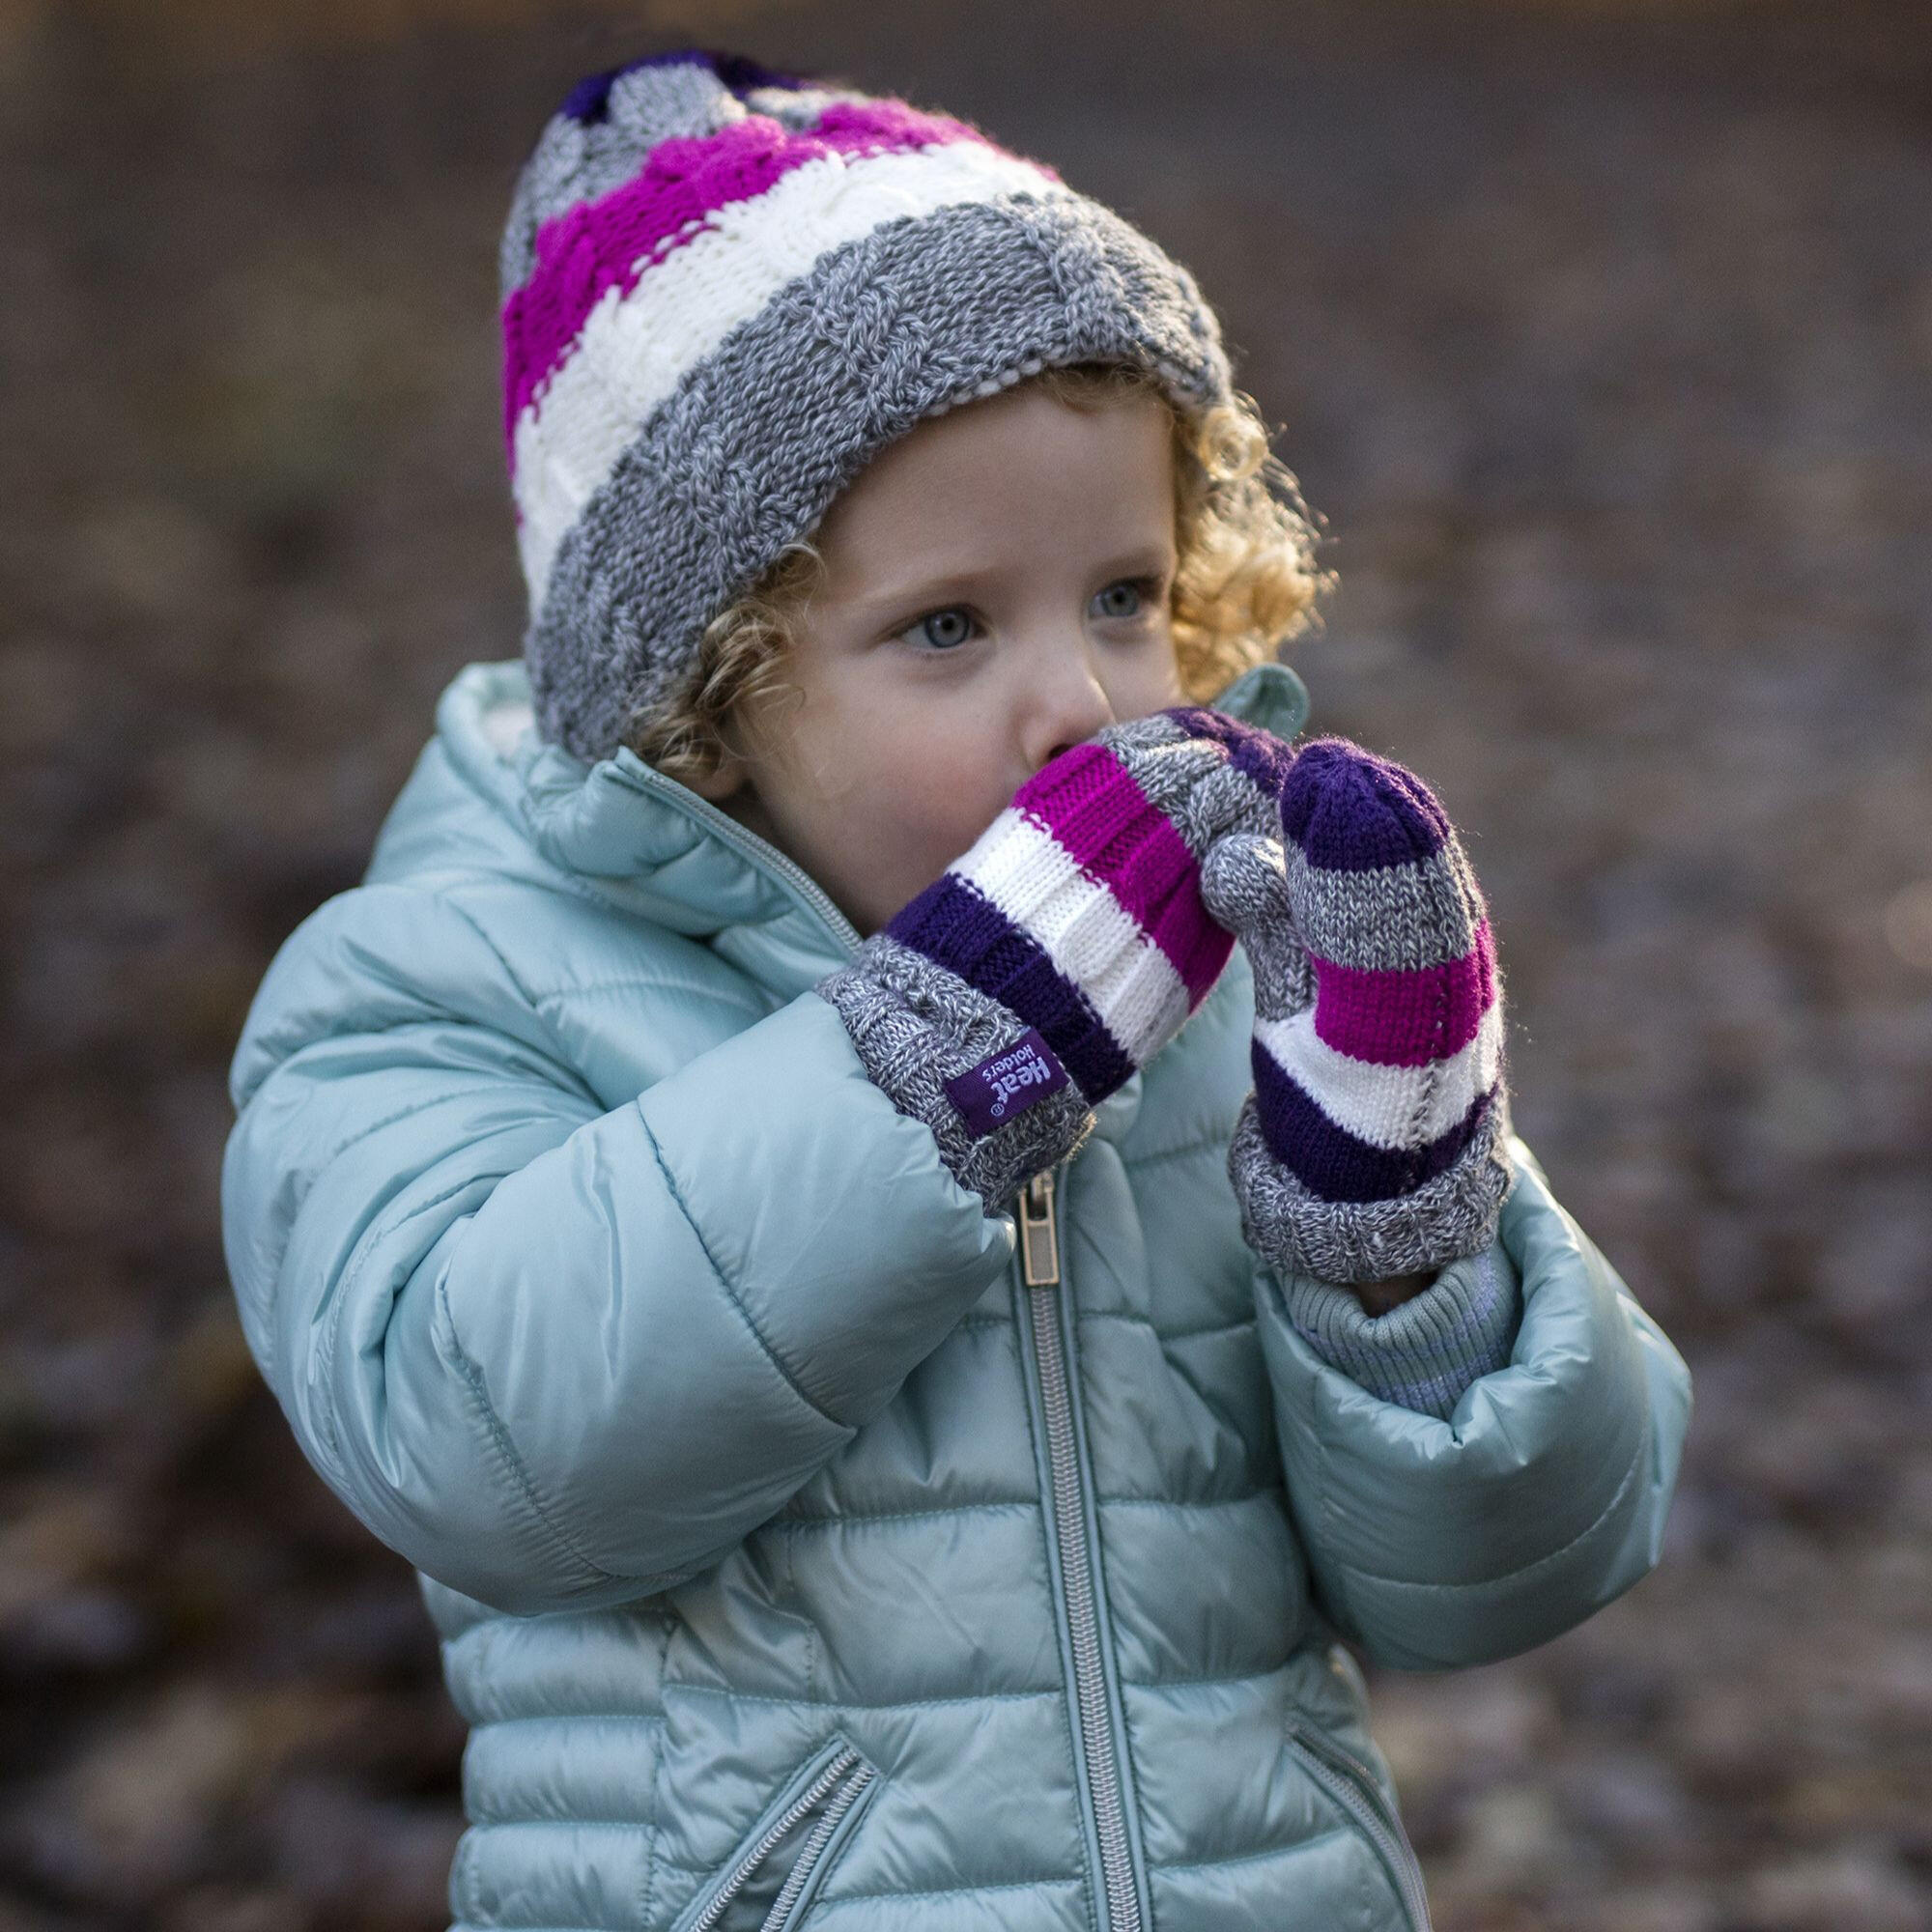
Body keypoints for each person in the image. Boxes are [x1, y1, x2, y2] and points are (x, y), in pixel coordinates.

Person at [219, 48, 1692, 1932]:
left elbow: (1495, 1577)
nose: (1079, 703)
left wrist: (1401, 1251)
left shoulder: (1215, 988)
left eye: (1123, 595)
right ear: (707, 677)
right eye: (945, 625)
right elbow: (485, 1445)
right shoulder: (440, 981)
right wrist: (935, 1066)